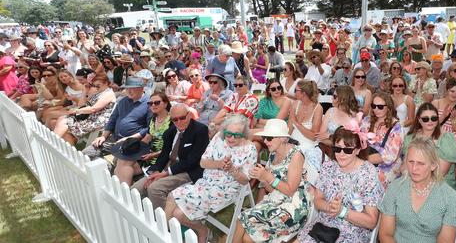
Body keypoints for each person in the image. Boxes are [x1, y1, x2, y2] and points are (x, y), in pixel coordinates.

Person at [166, 114, 257, 243]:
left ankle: (163, 235)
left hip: (225, 190)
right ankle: (202, 231)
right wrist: (219, 164)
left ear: (244, 134)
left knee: (172, 198)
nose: (231, 138)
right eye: (228, 134)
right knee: (177, 213)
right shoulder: (218, 138)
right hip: (205, 183)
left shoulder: (250, 149)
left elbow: (245, 180)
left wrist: (232, 169)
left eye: (237, 135)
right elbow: (203, 163)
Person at [298, 125, 383, 243]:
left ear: (358, 150)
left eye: (348, 150)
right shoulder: (329, 166)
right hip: (323, 227)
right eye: (337, 149)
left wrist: (342, 211)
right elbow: (318, 200)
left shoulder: (368, 174)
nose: (341, 154)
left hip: (353, 232)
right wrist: (332, 208)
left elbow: (371, 221)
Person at [234, 119, 311, 243]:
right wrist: (263, 179)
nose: (265, 141)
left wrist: (268, 177)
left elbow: (290, 191)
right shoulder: (273, 154)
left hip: (295, 207)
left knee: (243, 219)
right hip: (277, 200)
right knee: (247, 237)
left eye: (269, 138)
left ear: (282, 138)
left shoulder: (296, 155)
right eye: (264, 137)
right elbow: (271, 189)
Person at [379, 138, 456, 242]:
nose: (414, 168)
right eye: (411, 162)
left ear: (433, 165)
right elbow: (385, 234)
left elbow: (445, 240)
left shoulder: (449, 197)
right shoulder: (395, 187)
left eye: (420, 163)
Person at [83, 77, 151, 160]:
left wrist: (129, 138)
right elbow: (113, 119)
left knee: (103, 164)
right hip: (113, 138)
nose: (129, 91)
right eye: (127, 88)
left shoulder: (149, 104)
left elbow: (149, 128)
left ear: (141, 88)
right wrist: (103, 136)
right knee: (84, 154)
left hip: (130, 143)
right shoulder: (123, 101)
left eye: (132, 88)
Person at [112, 92, 172, 185]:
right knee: (121, 161)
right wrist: (135, 150)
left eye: (157, 102)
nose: (153, 105)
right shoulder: (154, 118)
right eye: (150, 103)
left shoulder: (172, 121)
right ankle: (126, 191)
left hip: (161, 158)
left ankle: (125, 192)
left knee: (122, 167)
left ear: (165, 103)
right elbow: (148, 137)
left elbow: (172, 147)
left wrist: (153, 155)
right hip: (147, 154)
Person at [402, 103, 456, 188]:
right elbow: (404, 167)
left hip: (440, 184)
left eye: (434, 118)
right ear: (419, 120)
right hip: (413, 181)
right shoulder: (411, 137)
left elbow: (441, 172)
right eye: (425, 119)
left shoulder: (446, 139)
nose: (430, 121)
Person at [52, 74, 116, 145]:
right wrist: (85, 90)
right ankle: (56, 143)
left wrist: (76, 111)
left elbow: (94, 109)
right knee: (62, 120)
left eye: (98, 85)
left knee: (65, 122)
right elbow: (82, 104)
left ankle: (53, 142)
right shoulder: (99, 92)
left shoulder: (108, 93)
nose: (96, 87)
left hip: (96, 121)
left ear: (106, 83)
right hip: (90, 118)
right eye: (94, 85)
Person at [361, 92, 403, 187]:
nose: (376, 109)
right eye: (374, 106)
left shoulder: (396, 126)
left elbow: (390, 156)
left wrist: (362, 160)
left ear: (388, 107)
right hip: (365, 161)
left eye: (380, 107)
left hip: (386, 167)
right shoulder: (366, 121)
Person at [433, 79, 456, 145]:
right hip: (436, 132)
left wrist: (453, 119)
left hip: (453, 136)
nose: (454, 94)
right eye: (452, 91)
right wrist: (443, 116)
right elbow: (430, 124)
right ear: (447, 91)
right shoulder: (436, 103)